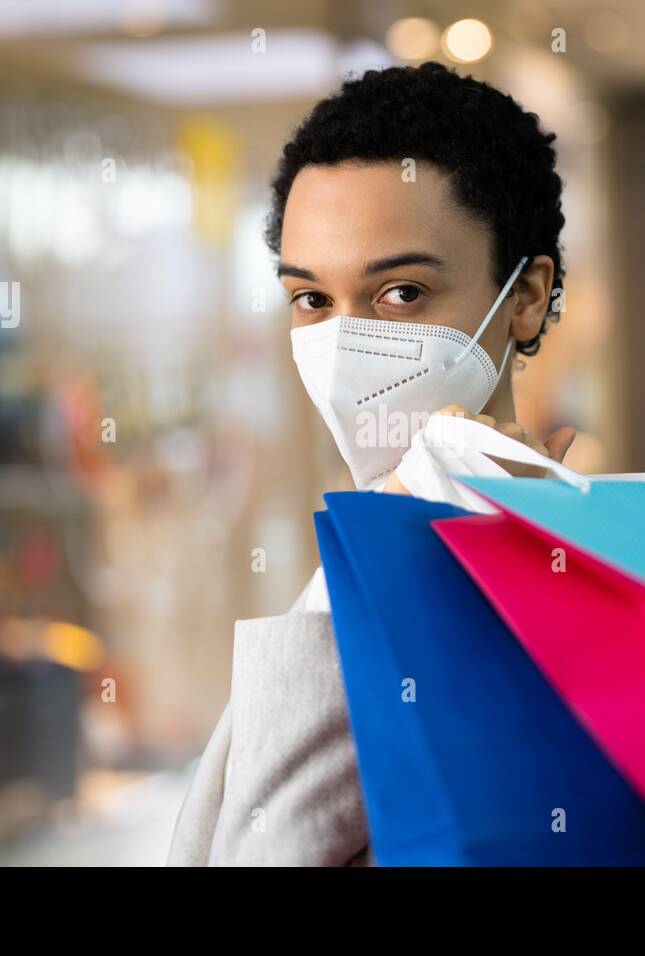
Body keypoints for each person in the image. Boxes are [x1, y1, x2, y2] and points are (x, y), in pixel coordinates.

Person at [167, 61, 575, 866]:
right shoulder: (379, 538)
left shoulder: (571, 569)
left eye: (401, 294)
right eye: (312, 299)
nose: (344, 345)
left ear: (525, 296)